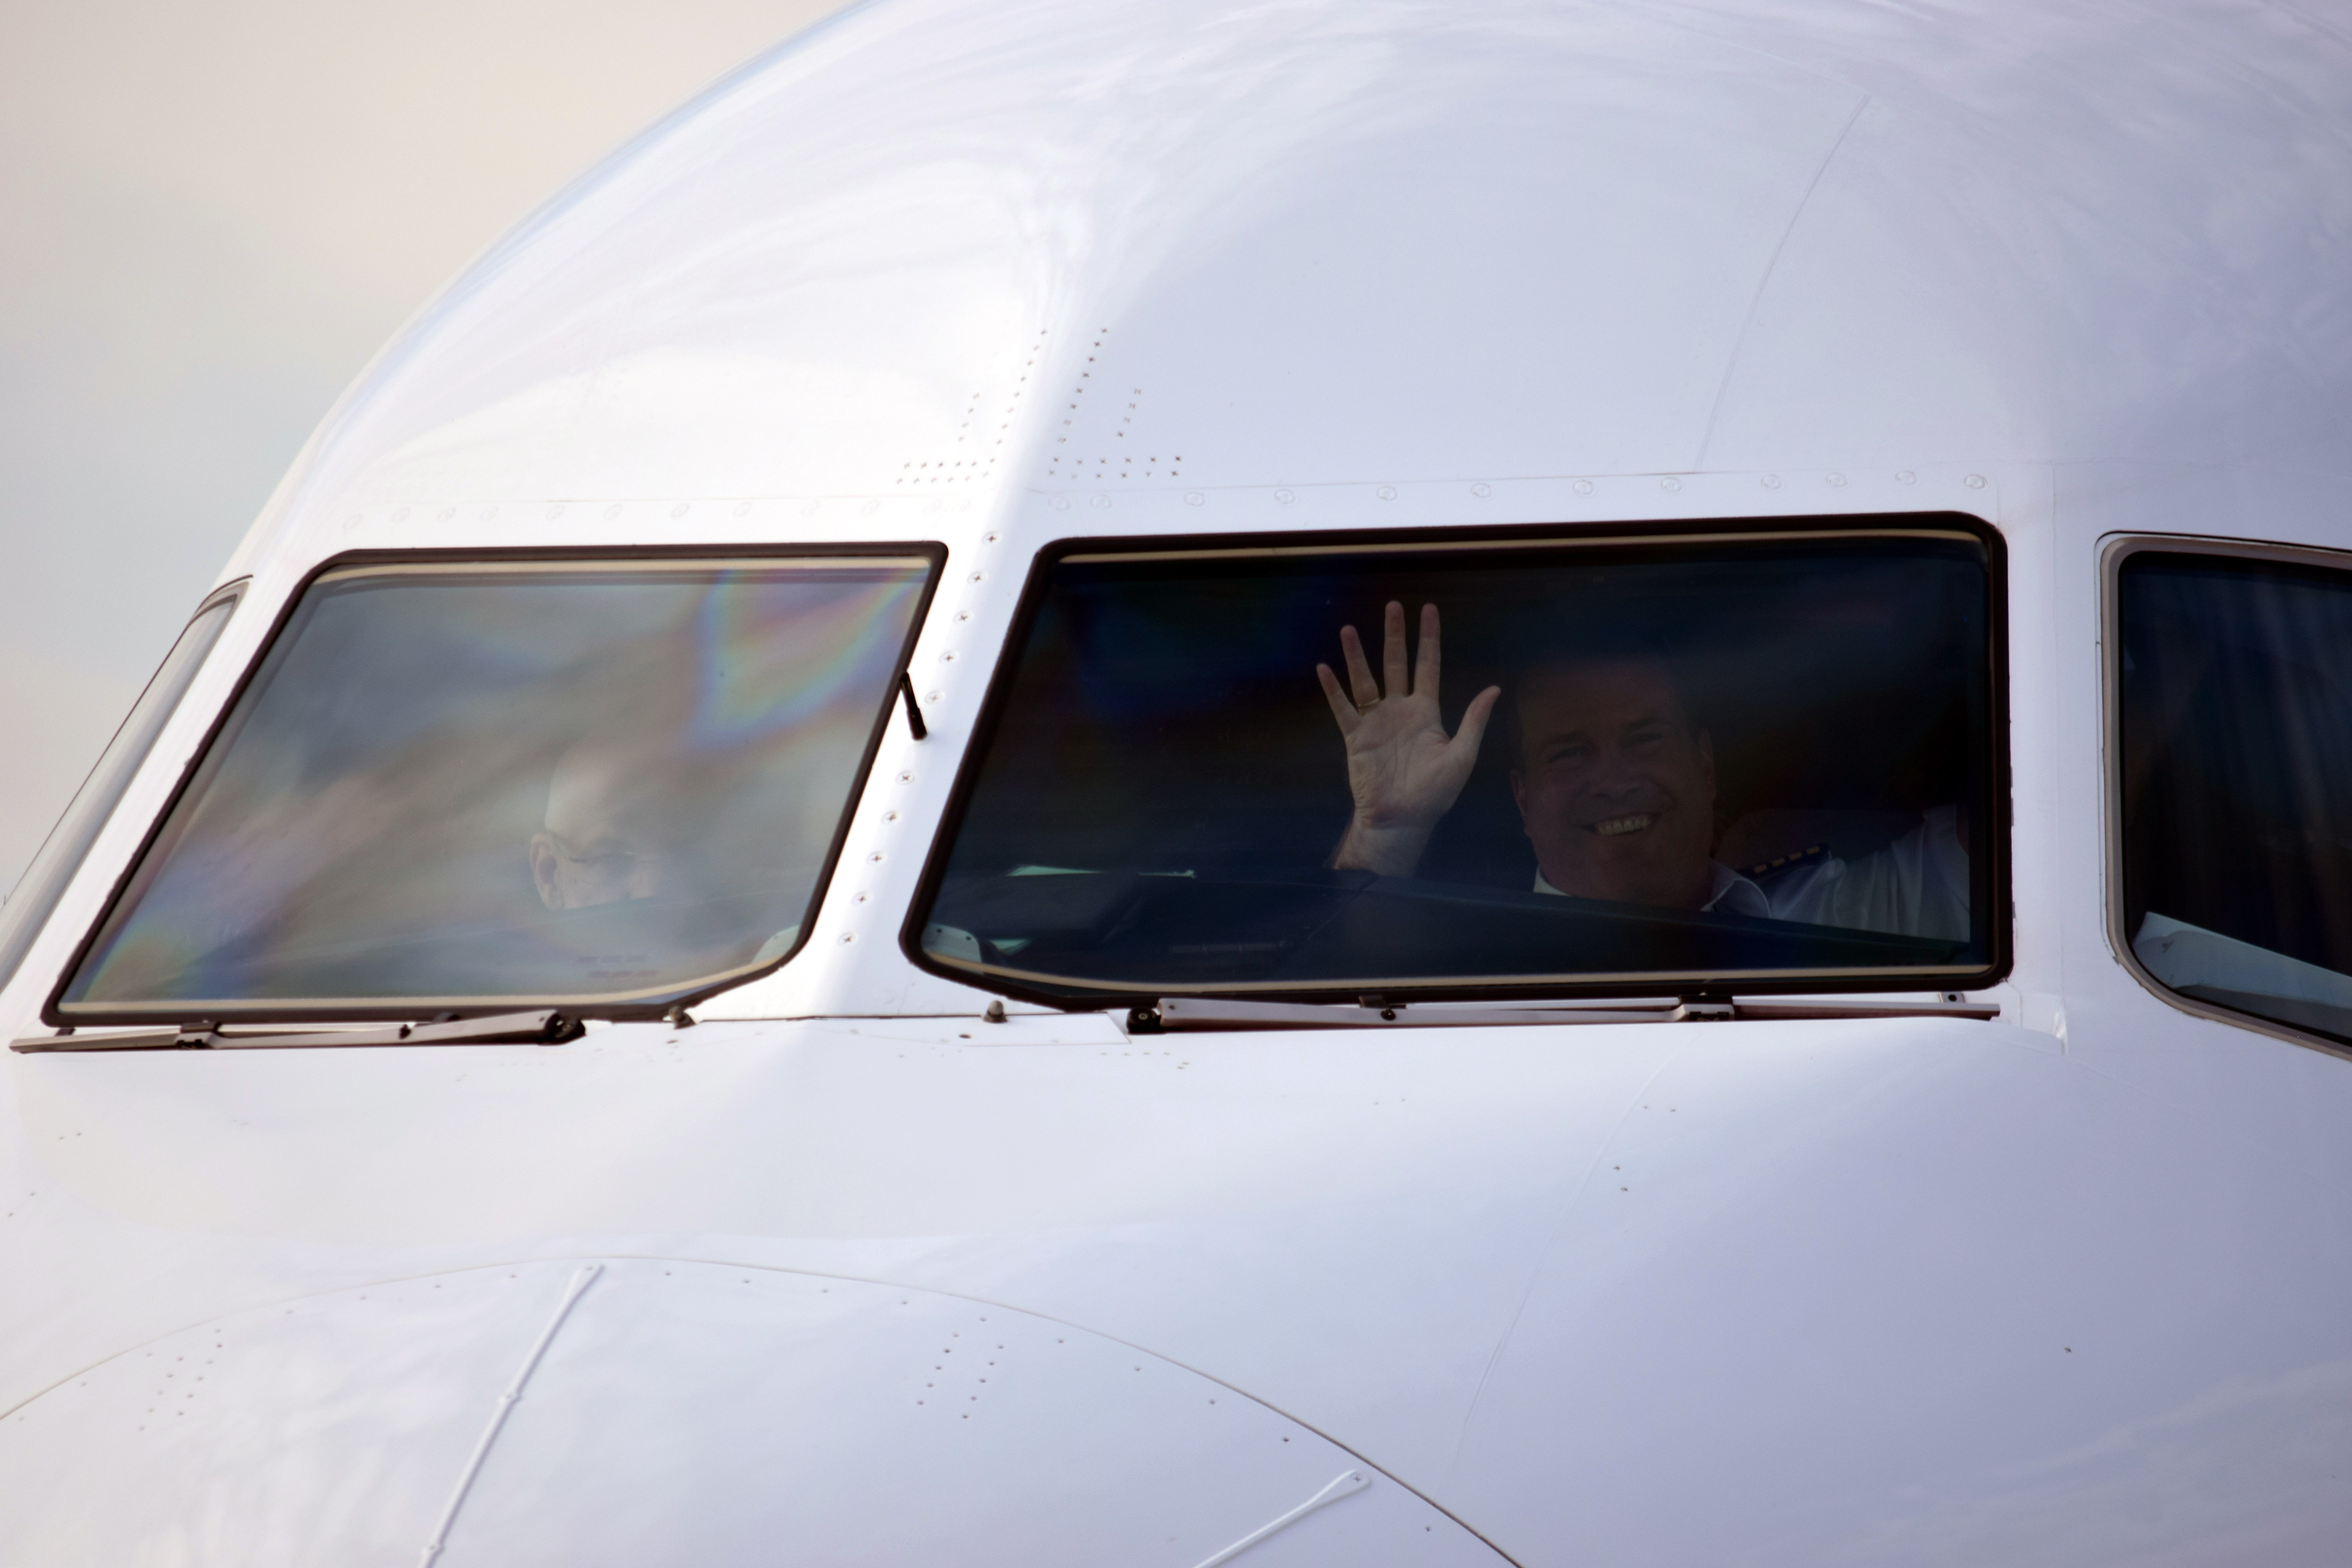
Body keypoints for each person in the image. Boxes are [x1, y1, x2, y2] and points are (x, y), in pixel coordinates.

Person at [1315, 601, 1970, 941]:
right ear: (1522, 797)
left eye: (1645, 738)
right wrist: (1387, 830)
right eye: (1569, 752)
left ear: (1705, 765)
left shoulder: (1852, 909)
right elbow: (1333, 1005)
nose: (1615, 779)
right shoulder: (1467, 952)